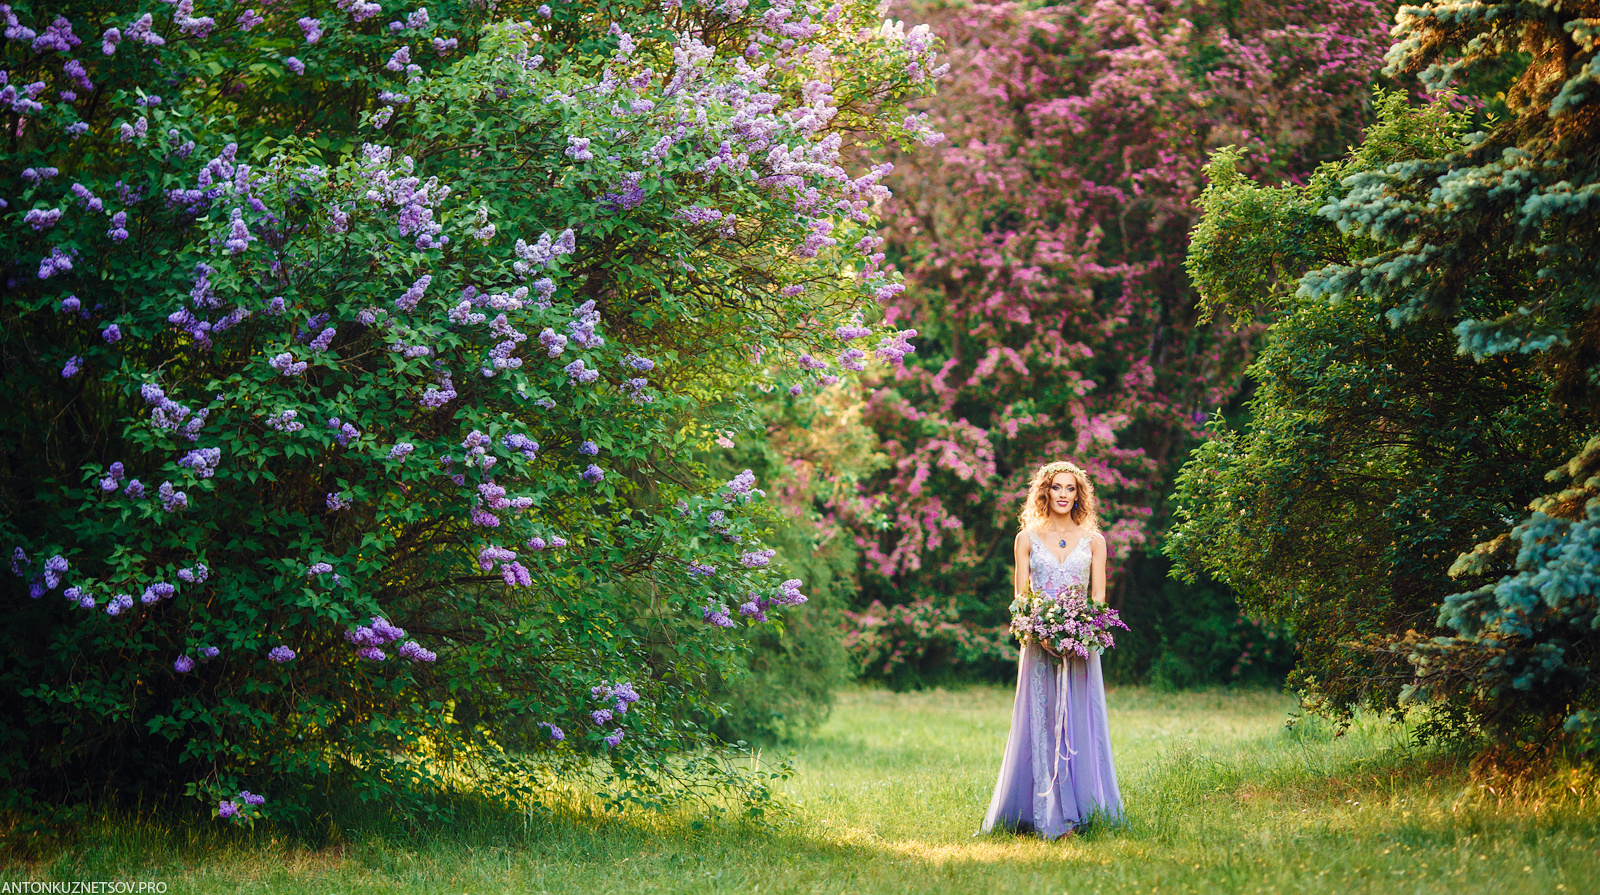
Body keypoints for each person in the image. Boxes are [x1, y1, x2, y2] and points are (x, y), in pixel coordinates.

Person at [980, 460, 1123, 838]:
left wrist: (1079, 634)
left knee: (1081, 721)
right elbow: (1021, 596)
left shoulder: (1095, 541)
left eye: (1070, 488)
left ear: (1079, 495)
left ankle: (1085, 809)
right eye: (1056, 487)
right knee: (1039, 721)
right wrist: (1043, 630)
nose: (1063, 494)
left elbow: (1098, 596)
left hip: (1080, 648)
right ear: (1045, 491)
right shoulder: (1026, 538)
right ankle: (1042, 812)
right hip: (1038, 644)